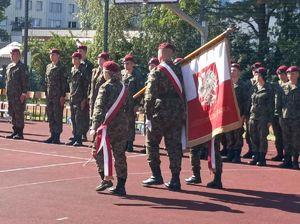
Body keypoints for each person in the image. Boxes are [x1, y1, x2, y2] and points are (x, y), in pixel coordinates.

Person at [142, 42, 185, 191]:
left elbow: (149, 97)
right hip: (177, 112)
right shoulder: (180, 70)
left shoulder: (157, 71)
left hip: (159, 113)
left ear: (161, 54)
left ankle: (156, 175)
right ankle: (175, 179)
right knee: (174, 146)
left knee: (152, 143)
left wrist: (148, 116)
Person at [90, 60, 129, 196]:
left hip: (107, 126)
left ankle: (106, 179)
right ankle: (121, 186)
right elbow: (129, 107)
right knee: (119, 155)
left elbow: (99, 109)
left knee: (97, 151)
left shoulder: (105, 87)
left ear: (108, 73)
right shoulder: (124, 87)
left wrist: (94, 127)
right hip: (122, 125)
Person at [248, 67, 274, 166]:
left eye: (258, 75)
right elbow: (249, 102)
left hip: (263, 117)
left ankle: (262, 158)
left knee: (262, 137)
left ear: (263, 76)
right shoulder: (253, 87)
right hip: (253, 116)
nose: (256, 77)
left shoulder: (268, 88)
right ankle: (256, 156)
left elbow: (271, 104)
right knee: (253, 137)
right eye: (255, 75)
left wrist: (270, 119)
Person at [223, 63, 248, 163]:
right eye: (231, 70)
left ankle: (237, 155)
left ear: (239, 72)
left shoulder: (243, 86)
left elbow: (246, 101)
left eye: (235, 70)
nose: (232, 72)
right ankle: (230, 154)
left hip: (238, 114)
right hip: (229, 114)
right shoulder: (227, 85)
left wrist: (244, 115)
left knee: (238, 135)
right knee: (229, 135)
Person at [121, 54, 145, 152]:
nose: (126, 65)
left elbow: (140, 91)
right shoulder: (122, 74)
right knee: (123, 123)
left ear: (133, 64)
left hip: (132, 103)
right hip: (123, 104)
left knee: (130, 124)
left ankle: (130, 143)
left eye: (128, 63)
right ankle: (125, 142)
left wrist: (137, 105)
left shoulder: (137, 75)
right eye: (124, 63)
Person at [44, 48, 68, 144]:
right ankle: (52, 134)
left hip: (58, 96)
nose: (51, 56)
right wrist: (46, 93)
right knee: (51, 116)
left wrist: (63, 96)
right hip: (50, 96)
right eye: (50, 54)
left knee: (57, 116)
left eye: (53, 54)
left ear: (58, 56)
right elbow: (46, 81)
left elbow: (64, 83)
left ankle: (57, 136)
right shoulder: (48, 67)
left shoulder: (62, 67)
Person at [278, 66, 300, 169]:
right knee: (286, 139)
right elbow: (278, 104)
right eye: (290, 74)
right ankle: (287, 160)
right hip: (285, 117)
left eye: (294, 73)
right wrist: (279, 116)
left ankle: (294, 160)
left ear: (298, 74)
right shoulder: (282, 87)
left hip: (297, 118)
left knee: (296, 140)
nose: (292, 75)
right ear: (287, 75)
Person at [66, 52, 89, 146]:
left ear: (79, 60)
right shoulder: (72, 70)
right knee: (73, 119)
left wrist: (84, 98)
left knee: (79, 119)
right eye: (73, 58)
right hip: (73, 98)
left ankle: (79, 139)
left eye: (76, 59)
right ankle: (75, 136)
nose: (74, 60)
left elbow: (86, 85)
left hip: (80, 98)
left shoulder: (83, 70)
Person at [5, 48, 28, 140]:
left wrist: (24, 93)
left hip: (18, 95)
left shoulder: (22, 67)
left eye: (13, 54)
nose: (11, 56)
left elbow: (25, 81)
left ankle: (20, 132)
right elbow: (7, 80)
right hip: (10, 94)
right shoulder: (9, 66)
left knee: (19, 113)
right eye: (11, 54)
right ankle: (14, 130)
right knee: (13, 113)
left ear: (18, 55)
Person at [242, 61, 263, 159]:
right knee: (249, 133)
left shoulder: (264, 83)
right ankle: (252, 150)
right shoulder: (247, 83)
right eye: (254, 70)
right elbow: (245, 98)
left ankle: (259, 153)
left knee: (260, 134)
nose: (255, 71)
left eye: (257, 69)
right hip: (249, 112)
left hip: (260, 113)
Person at [89, 52, 109, 147]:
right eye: (98, 58)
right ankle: (94, 141)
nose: (99, 60)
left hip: (102, 100)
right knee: (93, 119)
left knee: (100, 120)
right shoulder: (94, 71)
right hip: (94, 99)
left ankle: (99, 141)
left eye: (102, 59)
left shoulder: (107, 72)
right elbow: (91, 85)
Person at [270, 65, 288, 161]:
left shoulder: (293, 85)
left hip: (288, 115)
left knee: (288, 136)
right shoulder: (275, 85)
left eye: (282, 74)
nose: (280, 76)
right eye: (279, 74)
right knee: (278, 135)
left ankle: (288, 155)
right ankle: (280, 154)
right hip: (276, 115)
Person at [77, 45, 94, 142]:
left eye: (81, 51)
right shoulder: (77, 64)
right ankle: (77, 133)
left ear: (85, 52)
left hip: (85, 93)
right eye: (78, 51)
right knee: (77, 115)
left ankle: (83, 133)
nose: (79, 53)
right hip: (77, 94)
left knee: (84, 114)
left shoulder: (89, 65)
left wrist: (87, 95)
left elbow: (90, 81)